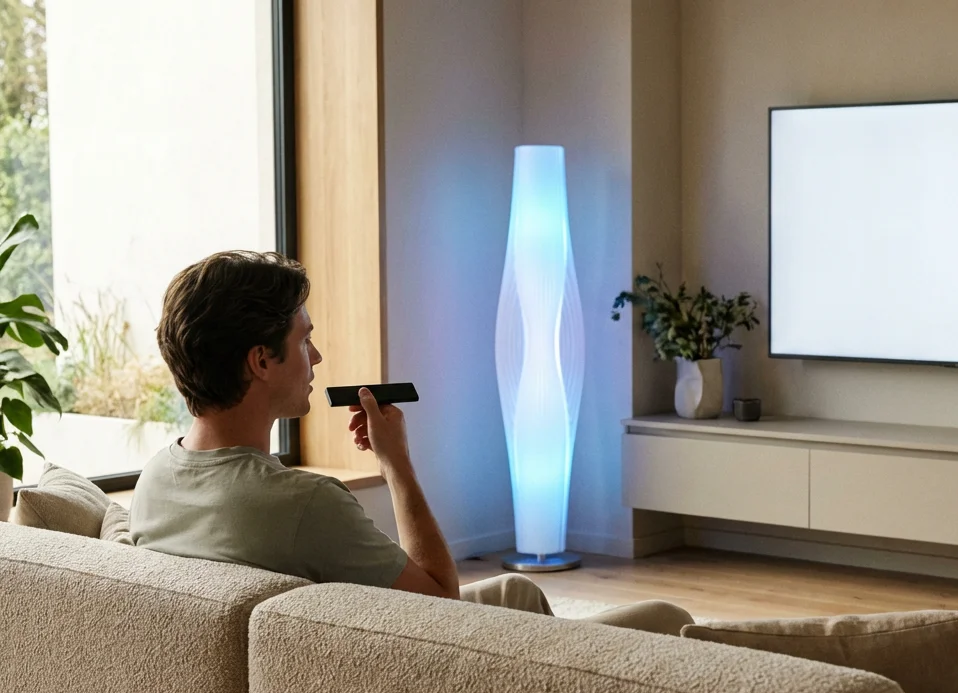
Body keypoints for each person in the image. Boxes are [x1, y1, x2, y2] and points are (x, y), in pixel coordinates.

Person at [131, 250, 691, 635]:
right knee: (664, 618)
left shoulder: (155, 481)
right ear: (260, 361)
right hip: (414, 682)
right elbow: (440, 605)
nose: (317, 359)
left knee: (515, 595)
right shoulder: (304, 505)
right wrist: (396, 463)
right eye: (304, 340)